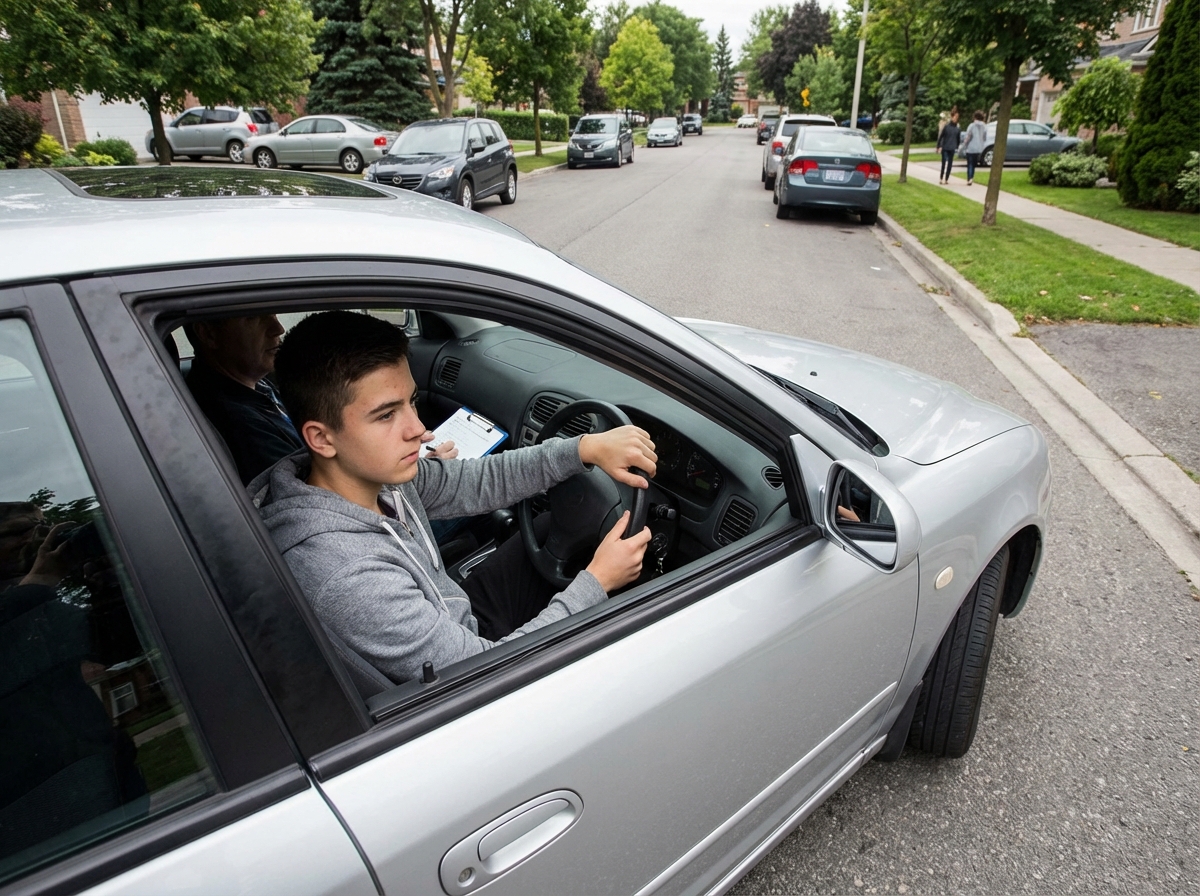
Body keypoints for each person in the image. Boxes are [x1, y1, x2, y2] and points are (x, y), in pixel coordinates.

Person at [249, 310, 656, 684]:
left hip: (453, 615)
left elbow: (478, 480)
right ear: (321, 439)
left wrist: (583, 448)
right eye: (386, 415)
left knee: (556, 526)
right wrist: (597, 582)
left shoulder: (371, 477)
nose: (418, 429)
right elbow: (484, 674)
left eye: (411, 402)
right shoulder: (348, 577)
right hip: (472, 673)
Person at [184, 314, 304, 485]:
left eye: (274, 314)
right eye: (254, 317)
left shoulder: (255, 387)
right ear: (209, 334)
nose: (278, 329)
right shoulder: (238, 425)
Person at [962, 110, 988, 186]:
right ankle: (971, 177)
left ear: (975, 117)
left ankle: (969, 178)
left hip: (971, 148)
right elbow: (985, 137)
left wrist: (964, 144)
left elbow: (968, 136)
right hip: (979, 148)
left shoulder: (972, 126)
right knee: (974, 164)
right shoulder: (984, 126)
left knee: (970, 164)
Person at [936, 111, 961, 185]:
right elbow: (941, 136)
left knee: (950, 164)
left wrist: (957, 146)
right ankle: (941, 177)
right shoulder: (947, 127)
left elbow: (958, 139)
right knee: (944, 163)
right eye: (955, 117)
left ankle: (946, 178)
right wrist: (938, 146)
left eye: (957, 117)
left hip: (952, 147)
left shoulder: (957, 129)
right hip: (945, 147)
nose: (956, 119)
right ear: (952, 117)